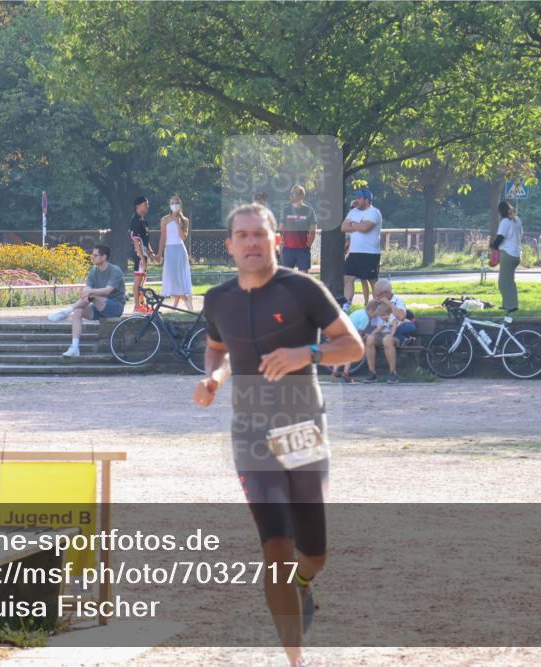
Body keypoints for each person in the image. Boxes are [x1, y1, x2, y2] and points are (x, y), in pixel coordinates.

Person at [194, 203, 363, 667]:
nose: (251, 242)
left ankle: (304, 584)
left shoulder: (302, 289)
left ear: (275, 240)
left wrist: (307, 352)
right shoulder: (218, 299)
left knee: (313, 555)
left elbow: (352, 345)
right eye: (242, 235)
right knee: (276, 548)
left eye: (259, 234)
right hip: (250, 433)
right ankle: (295, 659)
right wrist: (214, 378)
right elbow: (217, 348)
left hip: (302, 428)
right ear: (229, 245)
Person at [47, 245, 126, 357]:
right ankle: (74, 347)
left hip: (115, 307)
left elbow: (107, 291)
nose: (92, 257)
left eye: (95, 255)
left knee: (92, 295)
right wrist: (86, 292)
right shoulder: (93, 271)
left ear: (104, 257)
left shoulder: (115, 270)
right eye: (92, 255)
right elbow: (87, 290)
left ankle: (66, 311)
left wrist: (89, 292)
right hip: (98, 306)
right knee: (78, 311)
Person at [362, 279, 416, 384]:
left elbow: (401, 316)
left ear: (386, 293)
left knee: (387, 339)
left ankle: (393, 373)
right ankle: (372, 373)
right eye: (375, 294)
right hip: (380, 333)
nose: (376, 296)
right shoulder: (376, 302)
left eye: (377, 294)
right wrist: (371, 305)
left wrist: (389, 304)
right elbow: (366, 316)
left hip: (395, 334)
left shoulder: (398, 301)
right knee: (370, 339)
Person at [340, 189, 383, 308]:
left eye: (359, 198)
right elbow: (343, 227)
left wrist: (352, 224)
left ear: (367, 200)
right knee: (348, 278)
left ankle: (380, 305)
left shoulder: (374, 212)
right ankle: (346, 305)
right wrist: (358, 225)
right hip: (354, 252)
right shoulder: (353, 211)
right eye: (356, 198)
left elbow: (365, 228)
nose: (356, 200)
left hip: (370, 253)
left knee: (372, 281)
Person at [157, 195, 194, 309]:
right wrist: (159, 253)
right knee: (172, 277)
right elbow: (163, 237)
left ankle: (180, 303)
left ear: (180, 205)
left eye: (177, 203)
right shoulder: (165, 219)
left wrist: (178, 224)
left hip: (179, 250)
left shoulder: (184, 220)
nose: (175, 205)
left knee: (178, 277)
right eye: (172, 203)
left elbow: (183, 237)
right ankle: (185, 300)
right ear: (170, 205)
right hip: (169, 250)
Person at [491, 201, 523, 313]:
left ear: (501, 212)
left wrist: (493, 246)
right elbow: (520, 235)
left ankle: (511, 305)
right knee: (509, 281)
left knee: (503, 282)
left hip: (508, 254)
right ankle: (507, 304)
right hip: (516, 254)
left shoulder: (505, 222)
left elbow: (500, 237)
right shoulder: (517, 220)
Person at [129, 196, 157, 314]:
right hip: (138, 253)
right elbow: (136, 241)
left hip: (144, 252)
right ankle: (137, 307)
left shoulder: (143, 220)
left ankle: (142, 304)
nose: (147, 206)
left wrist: (150, 253)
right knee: (138, 279)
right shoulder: (135, 220)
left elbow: (145, 240)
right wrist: (141, 257)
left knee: (142, 279)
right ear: (138, 206)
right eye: (145, 204)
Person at [279, 185, 317, 272]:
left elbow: (313, 231)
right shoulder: (285, 210)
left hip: (303, 249)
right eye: (291, 193)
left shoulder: (309, 211)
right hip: (288, 249)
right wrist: (282, 242)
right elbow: (281, 228)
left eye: (294, 193)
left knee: (303, 277)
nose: (292, 195)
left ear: (301, 196)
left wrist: (308, 245)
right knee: (286, 276)